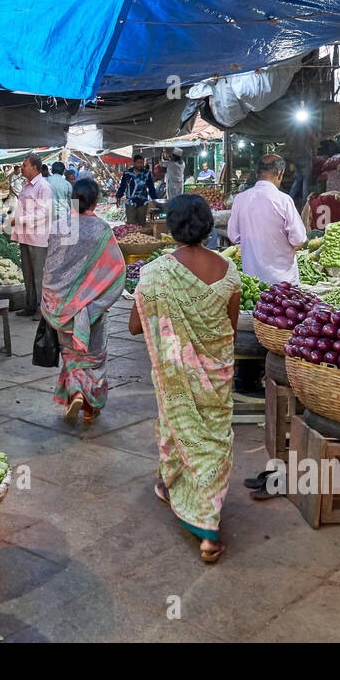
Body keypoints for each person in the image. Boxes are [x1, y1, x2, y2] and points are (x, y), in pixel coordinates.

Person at [130, 194, 240, 563]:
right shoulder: (228, 271)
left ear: (172, 229)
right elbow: (229, 329)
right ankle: (172, 486)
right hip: (217, 373)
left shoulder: (156, 273)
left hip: (177, 373)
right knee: (212, 440)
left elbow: (134, 326)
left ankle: (208, 531)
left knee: (176, 424)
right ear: (209, 227)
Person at [40, 179, 125, 424]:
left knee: (70, 352)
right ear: (96, 202)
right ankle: (90, 407)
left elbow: (51, 267)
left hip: (63, 306)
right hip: (93, 307)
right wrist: (94, 300)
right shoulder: (102, 230)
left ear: (71, 200)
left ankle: (76, 391)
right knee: (94, 355)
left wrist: (50, 299)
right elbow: (116, 269)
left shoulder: (59, 227)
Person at [226, 155, 307, 285]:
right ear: (280, 174)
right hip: (283, 282)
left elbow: (233, 236)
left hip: (253, 280)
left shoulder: (240, 199)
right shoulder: (283, 200)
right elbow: (298, 239)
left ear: (257, 173)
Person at [10, 153, 53, 317]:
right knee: (27, 274)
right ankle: (30, 306)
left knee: (38, 276)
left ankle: (42, 311)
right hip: (25, 236)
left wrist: (19, 220)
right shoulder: (27, 185)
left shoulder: (44, 187)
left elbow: (44, 214)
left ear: (34, 167)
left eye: (24, 165)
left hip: (38, 238)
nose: (22, 167)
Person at [115, 154, 158, 225]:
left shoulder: (146, 174)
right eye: (138, 163)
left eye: (142, 163)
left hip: (143, 202)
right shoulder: (127, 173)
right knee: (131, 224)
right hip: (130, 203)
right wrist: (118, 197)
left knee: (142, 224)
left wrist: (155, 200)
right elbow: (122, 186)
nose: (140, 165)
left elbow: (151, 188)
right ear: (134, 163)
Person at [287, 118, 317, 204]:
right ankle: (305, 203)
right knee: (306, 181)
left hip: (296, 158)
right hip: (305, 157)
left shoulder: (293, 131)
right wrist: (314, 154)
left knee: (298, 180)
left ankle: (289, 199)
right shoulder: (307, 129)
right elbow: (313, 142)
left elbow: (288, 143)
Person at [46, 161, 73, 235]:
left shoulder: (45, 181)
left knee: (49, 237)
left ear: (51, 170)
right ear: (63, 171)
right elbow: (70, 201)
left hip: (48, 213)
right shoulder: (67, 184)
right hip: (62, 214)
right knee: (60, 238)